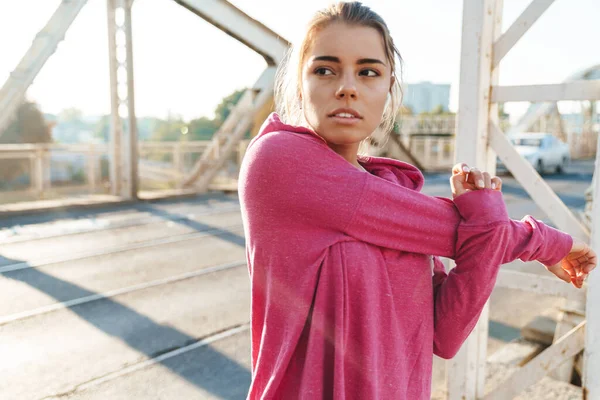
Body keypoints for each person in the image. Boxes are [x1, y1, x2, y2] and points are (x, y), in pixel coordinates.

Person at [238, 2, 597, 399]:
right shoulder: (278, 160)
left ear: (389, 86)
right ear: (299, 82)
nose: (347, 86)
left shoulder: (395, 194)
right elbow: (458, 231)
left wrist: (487, 219)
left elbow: (445, 333)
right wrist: (547, 243)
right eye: (324, 69)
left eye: (368, 71)